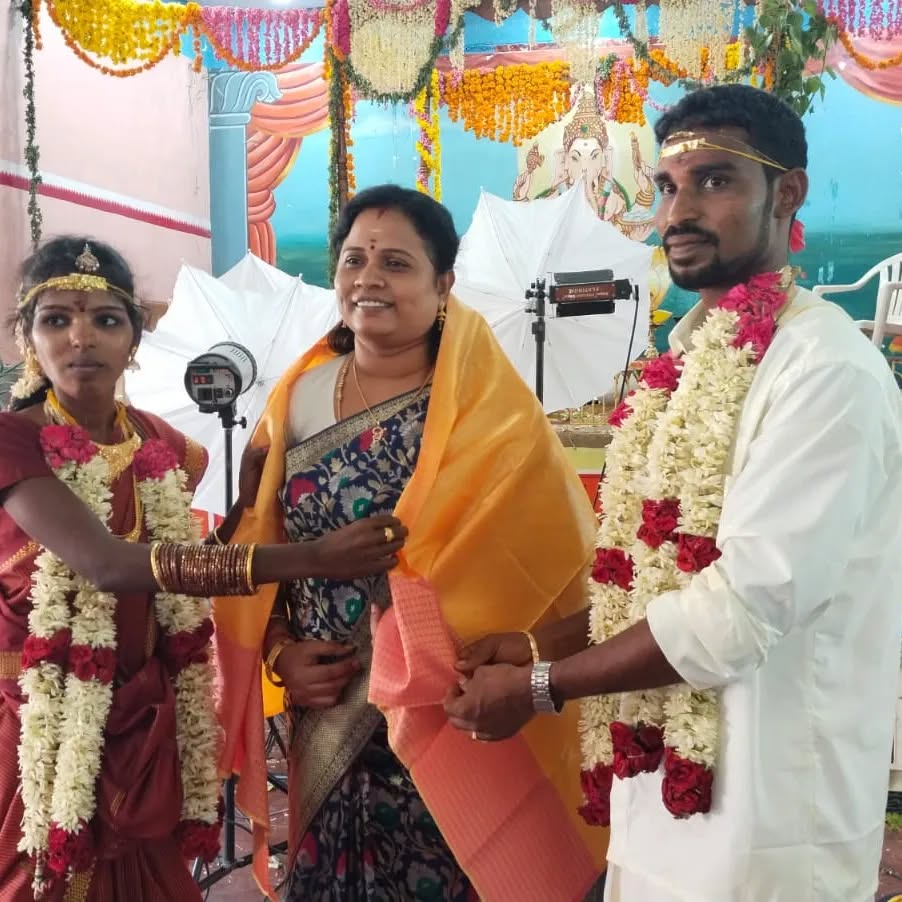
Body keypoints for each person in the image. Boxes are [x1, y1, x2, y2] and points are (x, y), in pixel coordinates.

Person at [444, 84, 902, 901]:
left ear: (786, 193)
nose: (679, 212)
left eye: (715, 181)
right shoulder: (686, 362)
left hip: (769, 823)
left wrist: (544, 687)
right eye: (667, 186)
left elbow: (743, 606)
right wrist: (543, 646)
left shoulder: (826, 372)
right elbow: (658, 589)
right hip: (654, 807)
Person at [213, 184, 608, 900]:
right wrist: (280, 654)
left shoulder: (494, 414)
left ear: (443, 283)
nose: (369, 278)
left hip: (455, 716)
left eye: (395, 263)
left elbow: (557, 574)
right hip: (327, 712)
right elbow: (260, 556)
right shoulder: (295, 401)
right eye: (354, 260)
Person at [0, 236, 406, 901]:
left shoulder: (163, 446)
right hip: (39, 723)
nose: (81, 337)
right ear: (27, 338)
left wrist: (244, 504)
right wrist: (311, 557)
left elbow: (178, 573)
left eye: (106, 319)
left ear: (134, 338)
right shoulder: (13, 441)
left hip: (143, 719)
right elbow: (109, 565)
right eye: (57, 319)